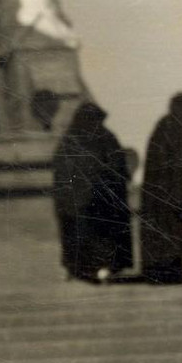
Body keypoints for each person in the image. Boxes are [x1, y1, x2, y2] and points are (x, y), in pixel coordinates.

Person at [51, 101, 133, 282]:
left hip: (76, 205)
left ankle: (79, 270)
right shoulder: (105, 137)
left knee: (79, 239)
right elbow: (118, 169)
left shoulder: (69, 139)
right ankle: (102, 269)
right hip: (99, 202)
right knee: (101, 239)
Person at [139, 93, 182, 286]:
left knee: (166, 238)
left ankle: (171, 272)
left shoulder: (163, 127)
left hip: (162, 195)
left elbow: (155, 164)